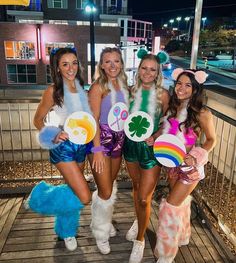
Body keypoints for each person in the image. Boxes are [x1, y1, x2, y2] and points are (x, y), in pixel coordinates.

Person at [25, 47, 92, 251]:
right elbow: (37, 119)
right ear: (58, 68)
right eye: (65, 64)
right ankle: (39, 197)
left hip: (82, 145)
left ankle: (67, 231)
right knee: (85, 196)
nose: (71, 68)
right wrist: (53, 134)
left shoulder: (82, 87)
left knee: (73, 190)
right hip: (63, 146)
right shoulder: (53, 91)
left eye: (74, 63)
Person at [154, 68, 216, 263]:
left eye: (188, 85)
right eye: (179, 83)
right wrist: (154, 138)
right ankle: (183, 236)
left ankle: (165, 254)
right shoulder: (173, 108)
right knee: (179, 203)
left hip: (190, 168)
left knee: (170, 207)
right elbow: (166, 134)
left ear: (195, 89)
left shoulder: (202, 112)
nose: (182, 88)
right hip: (172, 165)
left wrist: (195, 156)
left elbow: (211, 140)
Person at [123, 50, 169, 263]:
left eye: (153, 69)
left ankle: (140, 240)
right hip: (130, 148)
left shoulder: (163, 95)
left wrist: (157, 135)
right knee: (136, 187)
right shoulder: (130, 91)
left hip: (151, 150)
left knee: (144, 197)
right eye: (144, 68)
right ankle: (140, 219)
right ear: (138, 69)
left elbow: (166, 123)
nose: (147, 73)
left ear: (158, 72)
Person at [87, 47, 129, 255]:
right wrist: (96, 149)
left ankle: (102, 220)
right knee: (104, 191)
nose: (112, 65)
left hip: (119, 140)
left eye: (116, 61)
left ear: (121, 63)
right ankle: (100, 233)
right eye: (108, 62)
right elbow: (93, 119)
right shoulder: (97, 87)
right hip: (100, 141)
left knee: (109, 188)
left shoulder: (124, 85)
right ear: (101, 65)